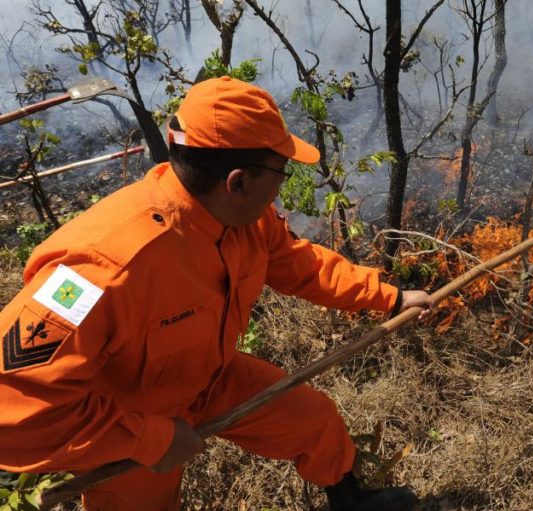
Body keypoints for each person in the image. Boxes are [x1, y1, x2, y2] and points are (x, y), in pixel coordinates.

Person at [0, 76, 432, 510]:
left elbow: (301, 265)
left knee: (313, 421)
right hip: (133, 419)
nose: (281, 186)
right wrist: (151, 438)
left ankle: (351, 500)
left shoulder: (244, 218)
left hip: (212, 377)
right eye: (281, 172)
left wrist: (389, 297)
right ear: (238, 182)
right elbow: (12, 409)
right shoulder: (103, 266)